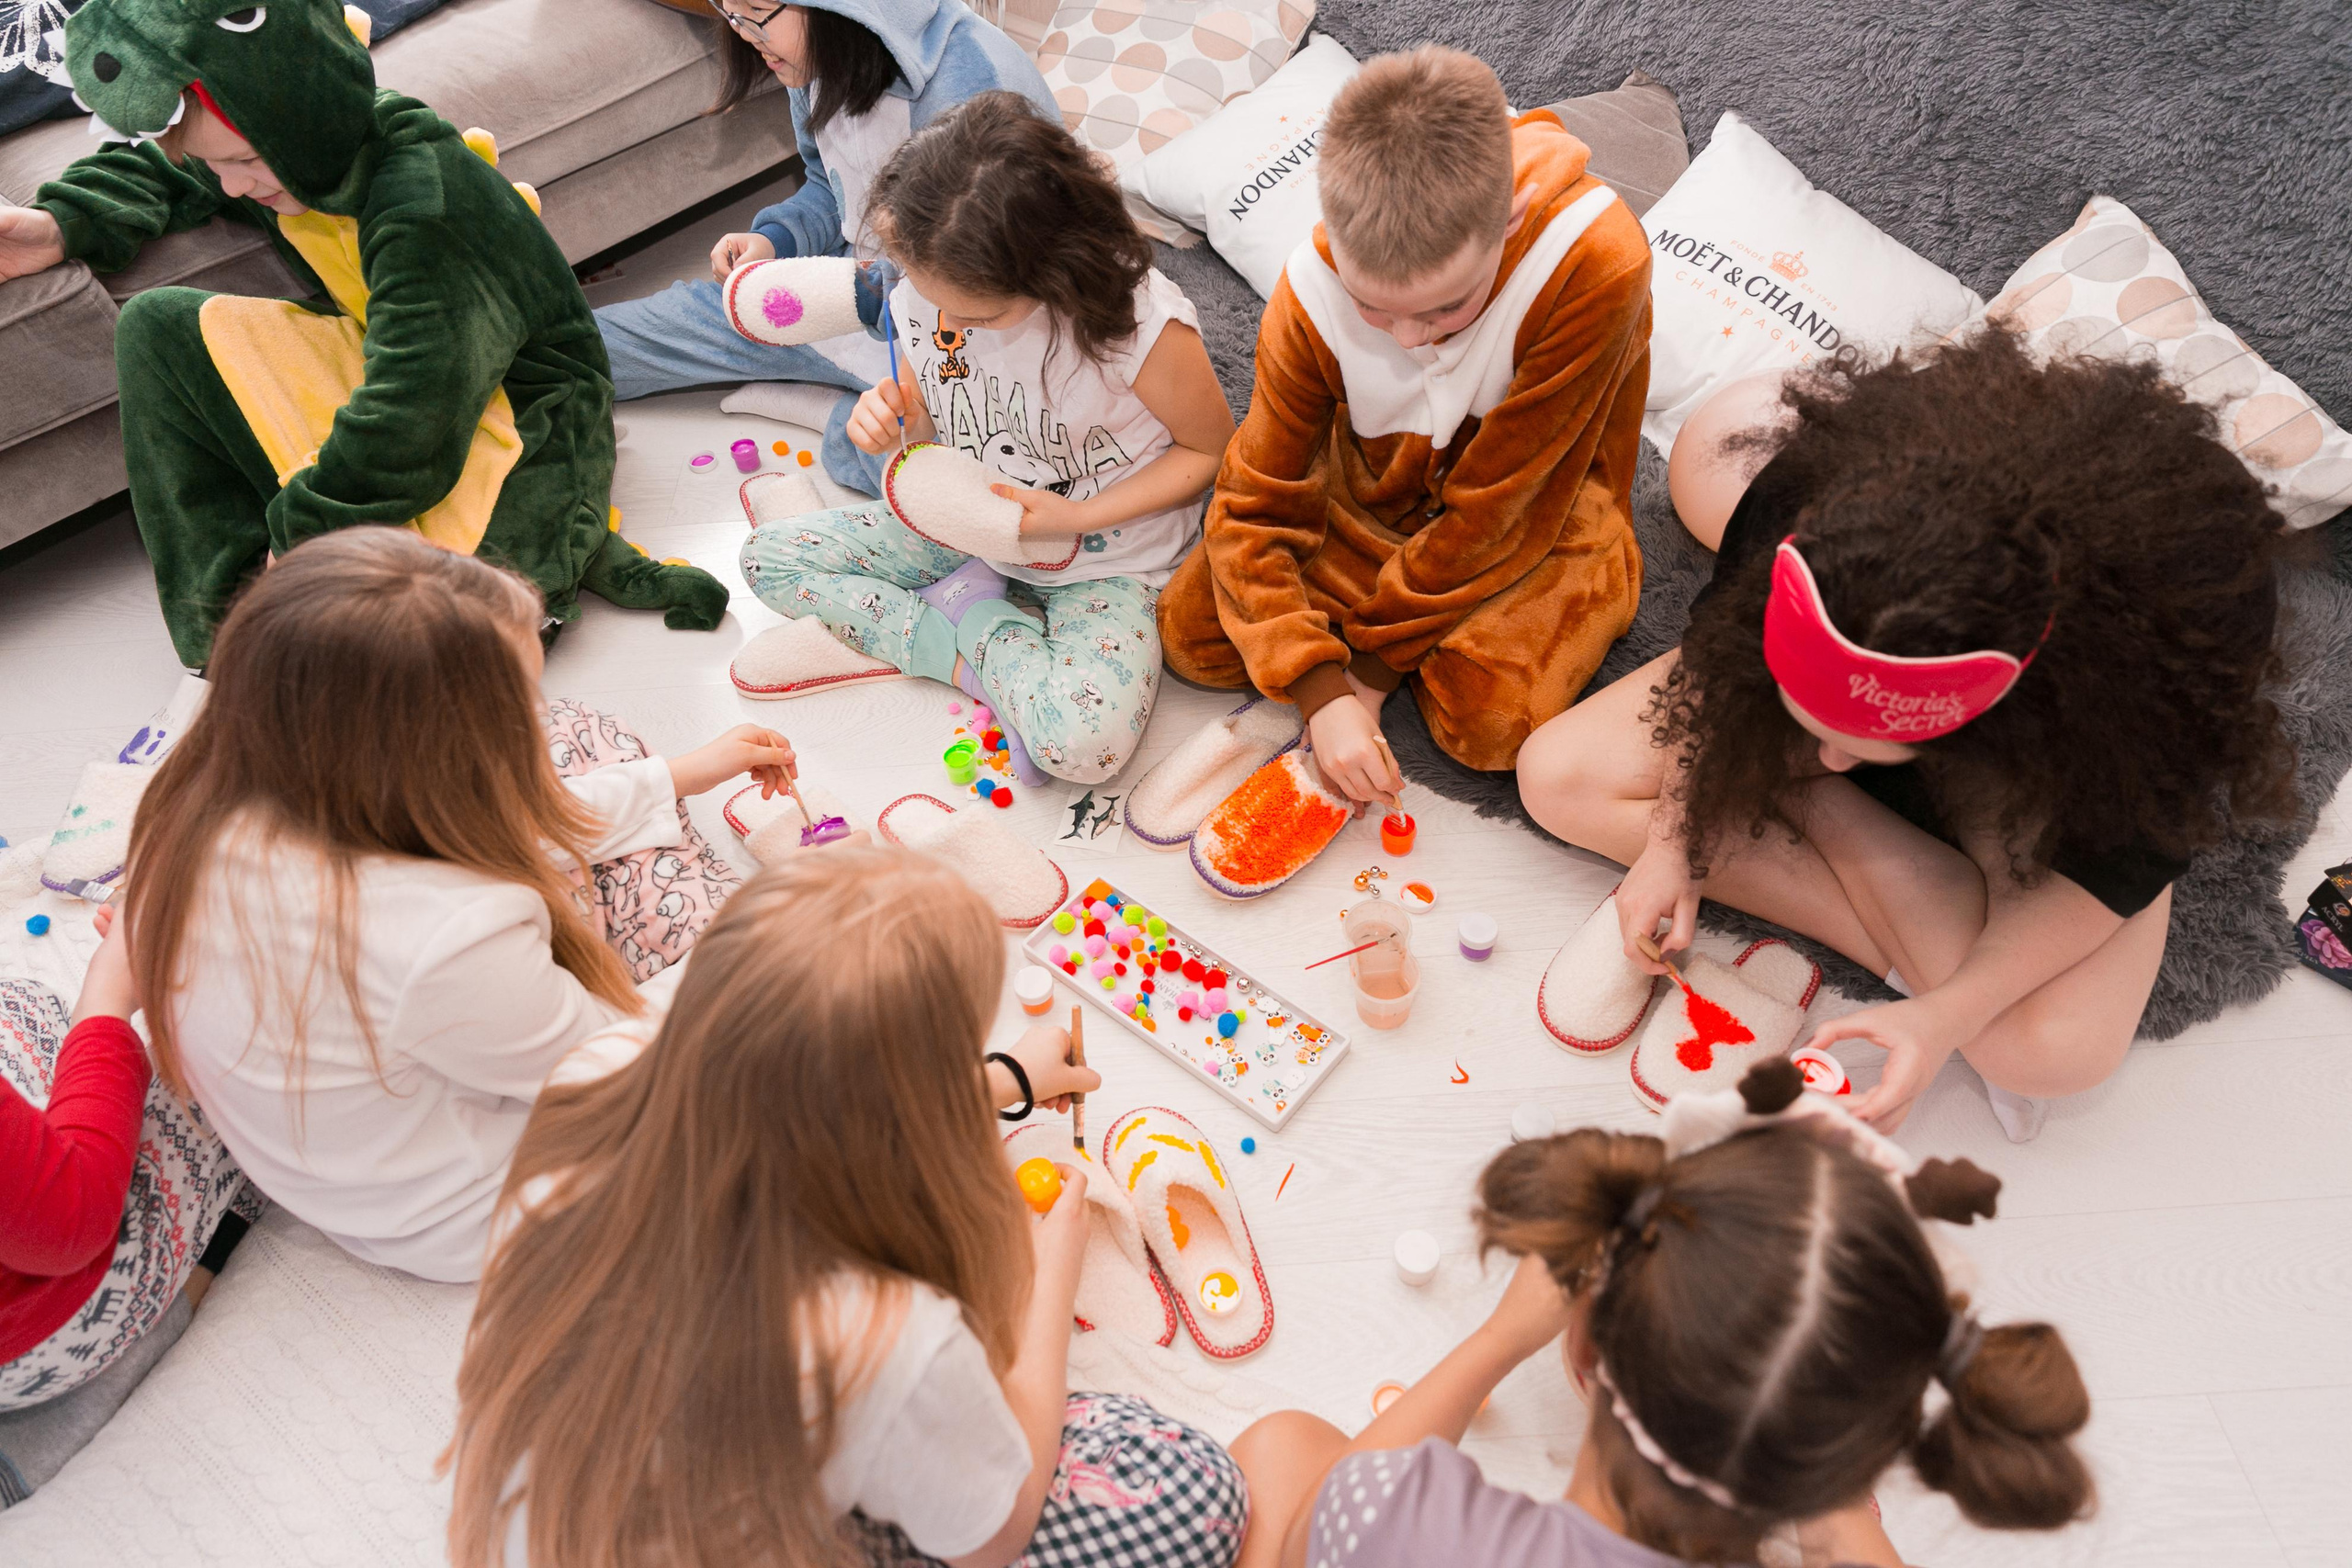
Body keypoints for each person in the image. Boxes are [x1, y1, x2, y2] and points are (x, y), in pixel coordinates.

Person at [1516, 329, 2296, 1137]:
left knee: (2055, 1051)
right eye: (1802, 721)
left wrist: (1942, 1017)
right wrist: (1675, 840)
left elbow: (2115, 873)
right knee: (1560, 776)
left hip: (2064, 765)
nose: (1829, 761)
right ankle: (1885, 883)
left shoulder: (2157, 664)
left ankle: (1822, 826)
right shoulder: (1810, 496)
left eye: (1854, 750)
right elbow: (1719, 667)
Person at [445, 849, 1250, 1568]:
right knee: (1196, 1490)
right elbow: (992, 1536)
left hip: (560, 1505)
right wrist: (1045, 1283)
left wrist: (998, 1076)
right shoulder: (888, 1337)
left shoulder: (594, 1073)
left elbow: (773, 1092)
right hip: (731, 1525)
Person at [118, 528, 794, 1282]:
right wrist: (773, 940)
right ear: (431, 760)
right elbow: (615, 1068)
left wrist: (680, 773)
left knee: (581, 737)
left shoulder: (209, 800)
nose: (530, 721)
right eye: (512, 712)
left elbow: (506, 814)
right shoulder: (441, 933)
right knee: (785, 990)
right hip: (484, 1202)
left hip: (380, 1105)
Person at [0, 0, 724, 669]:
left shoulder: (423, 203)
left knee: (454, 628)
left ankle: (333, 616)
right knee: (157, 328)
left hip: (523, 416)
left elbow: (412, 423)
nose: (230, 187)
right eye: (219, 165)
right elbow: (167, 171)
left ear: (302, 119)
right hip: (421, 382)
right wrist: (58, 226)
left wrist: (302, 537)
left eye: (245, 163)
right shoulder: (302, 156)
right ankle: (228, 635)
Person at [1227, 1070, 2097, 1568]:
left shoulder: (1397, 1511)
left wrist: (1496, 1339)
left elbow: (1319, 1526)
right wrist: (1830, 1501)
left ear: (1587, 1345)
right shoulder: (1830, 1498)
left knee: (1287, 1446)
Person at [1156, 44, 1654, 794]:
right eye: (1373, 308)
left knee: (1491, 726)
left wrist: (1367, 672)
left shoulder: (1597, 261)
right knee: (1189, 636)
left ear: (1508, 219)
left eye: (1446, 307)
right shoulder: (1307, 292)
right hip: (1376, 486)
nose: (1412, 338)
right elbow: (1253, 501)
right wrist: (1317, 687)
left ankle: (1473, 620)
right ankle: (1426, 630)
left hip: (1541, 502)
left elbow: (1504, 508)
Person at [737, 92, 1233, 784]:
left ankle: (967, 618)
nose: (944, 320)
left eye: (976, 314)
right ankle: (957, 642)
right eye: (925, 292)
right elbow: (932, 426)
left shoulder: (1141, 330)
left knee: (1082, 748)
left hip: (1104, 557)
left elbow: (1210, 451)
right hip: (965, 525)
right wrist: (896, 424)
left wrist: (1081, 516)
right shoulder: (923, 289)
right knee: (768, 559)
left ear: (1050, 273)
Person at [595, 0, 1056, 496]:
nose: (746, 34)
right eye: (732, 13)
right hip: (847, 290)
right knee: (594, 345)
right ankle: (840, 388)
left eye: (756, 11)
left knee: (946, 483)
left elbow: (993, 276)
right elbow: (829, 187)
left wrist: (857, 296)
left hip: (961, 328)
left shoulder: (971, 81)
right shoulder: (814, 60)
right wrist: (773, 241)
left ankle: (835, 411)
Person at [0, 926, 249, 1418]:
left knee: (25, 1004)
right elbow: (73, 1221)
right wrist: (108, 992)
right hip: (45, 1321)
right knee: (221, 1060)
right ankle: (208, 1251)